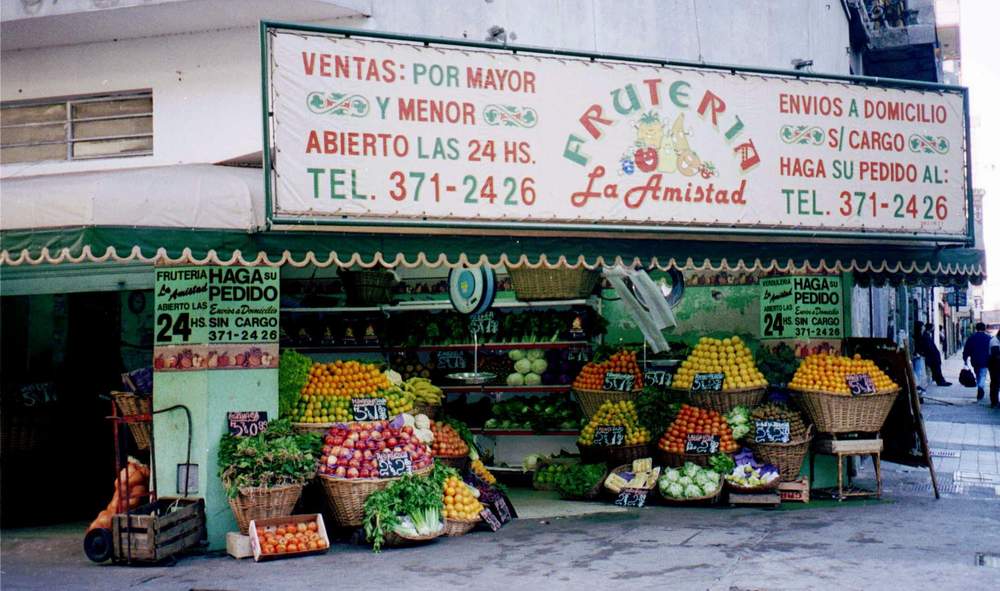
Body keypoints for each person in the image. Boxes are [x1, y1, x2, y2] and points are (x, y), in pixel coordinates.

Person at [962, 322, 994, 402]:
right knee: (982, 374)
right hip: (985, 360)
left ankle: (980, 387)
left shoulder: (971, 338)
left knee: (978, 374)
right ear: (984, 329)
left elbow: (966, 349)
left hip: (975, 360)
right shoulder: (988, 338)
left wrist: (965, 359)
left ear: (976, 328)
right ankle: (980, 386)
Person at [916, 321, 951, 386]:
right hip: (932, 356)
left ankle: (941, 380)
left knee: (937, 369)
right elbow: (927, 347)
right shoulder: (924, 336)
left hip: (933, 356)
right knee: (936, 369)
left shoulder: (926, 335)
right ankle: (940, 381)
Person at [988, 331, 1000, 408]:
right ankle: (994, 402)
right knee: (995, 383)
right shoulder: (994, 341)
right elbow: (996, 355)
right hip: (995, 365)